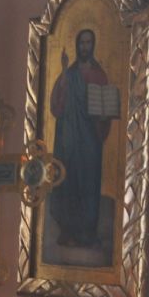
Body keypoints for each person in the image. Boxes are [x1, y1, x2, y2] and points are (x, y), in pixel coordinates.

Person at [49, 28, 114, 248]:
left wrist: (104, 115)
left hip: (90, 140)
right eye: (82, 43)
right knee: (69, 182)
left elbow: (105, 106)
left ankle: (87, 232)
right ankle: (68, 230)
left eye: (88, 42)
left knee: (88, 183)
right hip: (70, 140)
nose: (85, 47)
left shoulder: (99, 75)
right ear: (77, 45)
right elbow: (57, 107)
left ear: (93, 46)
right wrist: (64, 74)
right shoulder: (69, 74)